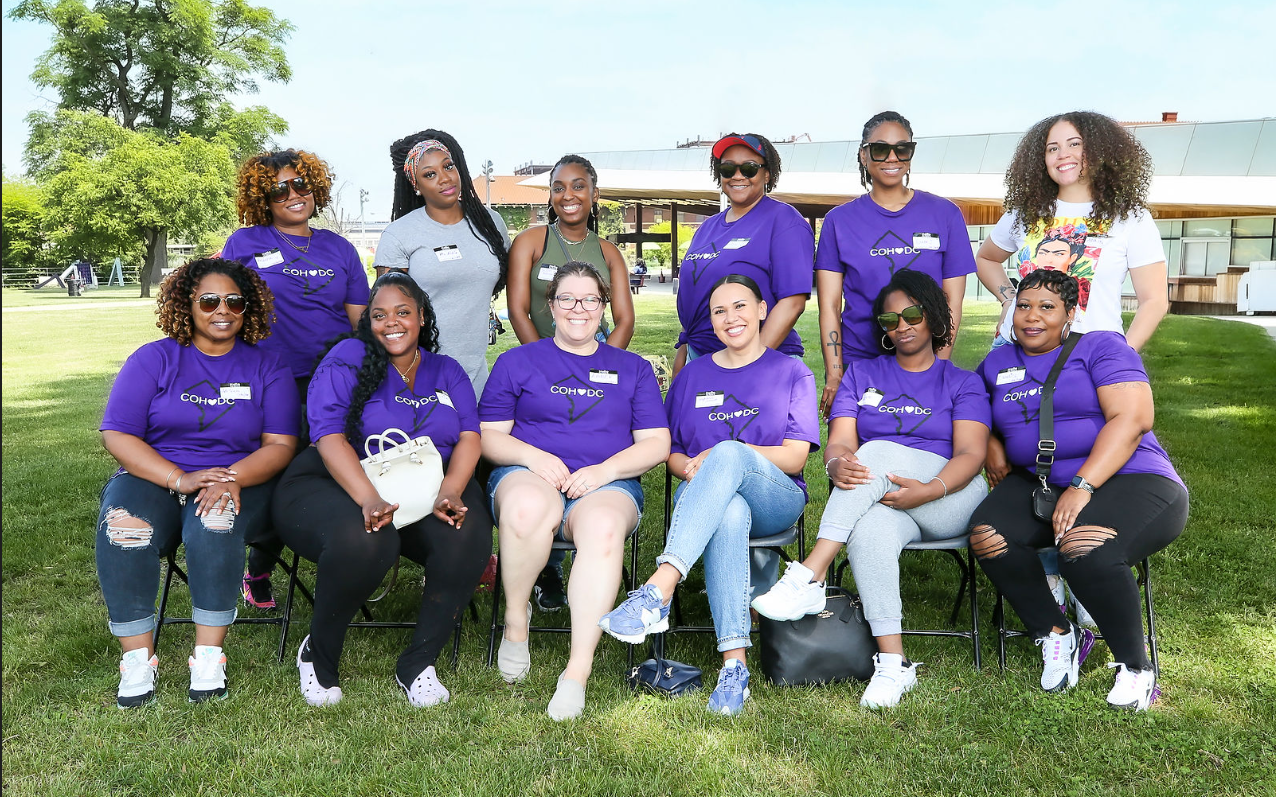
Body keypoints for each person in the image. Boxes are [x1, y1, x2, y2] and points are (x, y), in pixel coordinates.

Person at [751, 271, 989, 709]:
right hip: (882, 497)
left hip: (949, 497)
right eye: (890, 320)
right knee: (869, 530)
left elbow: (971, 455)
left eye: (912, 314)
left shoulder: (962, 381)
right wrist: (836, 462)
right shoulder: (861, 374)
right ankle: (894, 663)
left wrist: (929, 490)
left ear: (934, 316)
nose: (902, 326)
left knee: (876, 449)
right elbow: (841, 442)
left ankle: (810, 573)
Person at [973, 110, 1170, 625]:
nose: (1063, 155)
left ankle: (1086, 566)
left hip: (1089, 366)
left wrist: (1119, 359)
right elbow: (986, 258)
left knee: (1090, 457)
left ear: (1099, 150)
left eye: (1074, 144)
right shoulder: (1027, 212)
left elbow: (1154, 300)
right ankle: (1048, 576)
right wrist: (1010, 299)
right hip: (1020, 361)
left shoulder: (1129, 217)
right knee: (1027, 469)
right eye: (1052, 147)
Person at [599, 274, 819, 717]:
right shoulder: (693, 376)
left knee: (730, 453)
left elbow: (796, 457)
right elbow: (671, 453)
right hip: (707, 496)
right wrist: (696, 468)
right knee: (729, 512)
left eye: (740, 306)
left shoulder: (791, 371)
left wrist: (724, 456)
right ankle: (734, 668)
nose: (730, 318)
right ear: (711, 322)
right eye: (719, 311)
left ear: (762, 310)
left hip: (775, 496)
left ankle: (660, 587)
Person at [969, 270, 1188, 711]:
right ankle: (1056, 633)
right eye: (1023, 306)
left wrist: (1082, 486)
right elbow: (971, 411)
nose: (1032, 316)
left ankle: (1136, 668)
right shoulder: (996, 363)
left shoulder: (1103, 347)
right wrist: (991, 443)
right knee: (987, 535)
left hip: (1132, 477)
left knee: (1084, 547)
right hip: (1040, 481)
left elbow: (1133, 418)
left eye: (1046, 307)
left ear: (1070, 313)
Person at [272, 273, 491, 708]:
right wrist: (368, 498)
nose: (391, 322)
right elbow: (328, 436)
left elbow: (470, 435)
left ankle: (419, 663)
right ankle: (318, 654)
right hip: (333, 481)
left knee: (466, 532)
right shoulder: (348, 358)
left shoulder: (445, 370)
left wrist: (451, 489)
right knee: (369, 537)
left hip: (422, 483)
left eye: (403, 312)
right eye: (379, 314)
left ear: (422, 317)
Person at [96, 258, 299, 707]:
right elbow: (118, 434)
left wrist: (232, 477)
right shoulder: (154, 359)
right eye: (209, 301)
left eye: (234, 302)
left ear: (248, 308)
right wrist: (179, 478)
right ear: (187, 304)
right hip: (156, 475)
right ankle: (137, 659)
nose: (222, 310)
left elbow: (281, 444)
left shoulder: (268, 366)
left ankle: (208, 656)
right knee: (125, 528)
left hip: (236, 479)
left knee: (215, 521)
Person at [479, 262, 669, 721]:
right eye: (567, 298)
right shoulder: (517, 362)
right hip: (529, 475)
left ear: (604, 307)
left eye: (590, 299)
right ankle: (516, 619)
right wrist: (532, 457)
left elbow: (656, 444)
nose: (578, 308)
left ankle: (577, 670)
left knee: (602, 527)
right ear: (551, 305)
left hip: (607, 483)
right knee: (526, 508)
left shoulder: (633, 368)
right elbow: (488, 436)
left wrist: (605, 471)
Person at [222, 148, 369, 610]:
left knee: (330, 470)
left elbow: (361, 324)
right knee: (277, 472)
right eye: (278, 189)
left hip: (331, 382)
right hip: (268, 382)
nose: (292, 194)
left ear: (315, 187)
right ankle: (259, 568)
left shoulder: (339, 249)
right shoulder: (245, 243)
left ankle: (346, 559)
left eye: (300, 183)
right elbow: (224, 309)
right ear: (261, 198)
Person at [506, 154, 637, 612]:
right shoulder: (530, 242)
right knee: (541, 457)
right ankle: (546, 568)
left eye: (579, 186)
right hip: (539, 370)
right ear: (550, 195)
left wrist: (602, 366)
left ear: (594, 194)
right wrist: (542, 363)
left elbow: (625, 319)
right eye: (559, 187)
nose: (568, 195)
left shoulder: (608, 252)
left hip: (595, 368)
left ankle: (589, 552)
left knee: (584, 450)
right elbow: (517, 310)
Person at [815, 111, 976, 417]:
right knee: (857, 444)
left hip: (924, 360)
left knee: (921, 437)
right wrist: (835, 374)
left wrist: (939, 366)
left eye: (902, 149)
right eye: (880, 149)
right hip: (860, 360)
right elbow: (830, 306)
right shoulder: (839, 221)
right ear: (864, 155)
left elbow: (952, 301)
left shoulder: (945, 214)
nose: (892, 157)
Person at [375, 130, 510, 395]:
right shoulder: (399, 234)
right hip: (418, 376)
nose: (444, 178)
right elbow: (386, 317)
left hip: (476, 375)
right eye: (429, 174)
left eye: (448, 166)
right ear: (416, 184)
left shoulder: (491, 223)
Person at [673, 133, 814, 375]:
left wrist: (748, 365)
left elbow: (792, 302)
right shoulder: (707, 227)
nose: (738, 176)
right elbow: (694, 299)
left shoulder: (784, 221)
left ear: (767, 174)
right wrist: (685, 355)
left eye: (749, 168)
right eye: (728, 168)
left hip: (760, 363)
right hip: (701, 359)